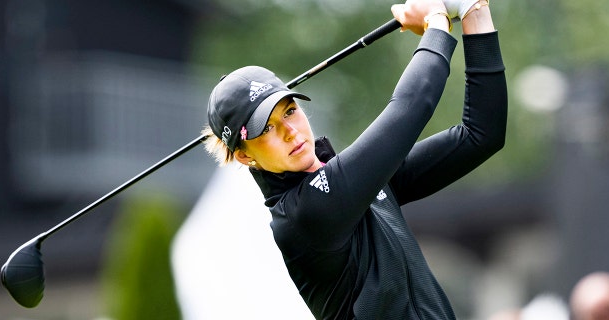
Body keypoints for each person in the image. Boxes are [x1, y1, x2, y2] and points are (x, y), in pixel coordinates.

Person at [201, 0, 506, 318]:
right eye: (268, 128)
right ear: (245, 156)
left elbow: (481, 134)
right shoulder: (303, 215)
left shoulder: (352, 184)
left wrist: (474, 12)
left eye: (290, 111)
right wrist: (437, 22)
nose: (291, 131)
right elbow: (409, 107)